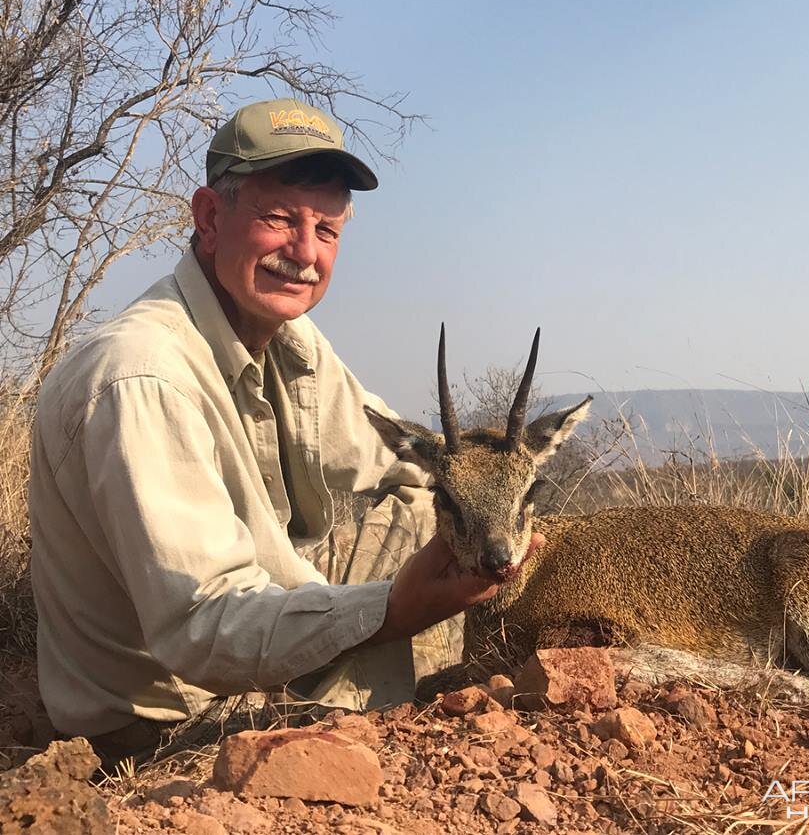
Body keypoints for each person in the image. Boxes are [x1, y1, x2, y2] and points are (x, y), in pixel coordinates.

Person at [28, 98, 541, 763]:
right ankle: (409, 737)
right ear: (210, 219)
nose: (305, 253)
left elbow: (409, 472)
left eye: (326, 230)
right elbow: (202, 626)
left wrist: (502, 507)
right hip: (171, 722)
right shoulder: (141, 376)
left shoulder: (287, 338)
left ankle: (444, 694)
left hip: (245, 640)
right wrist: (392, 611)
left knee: (436, 510)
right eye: (279, 220)